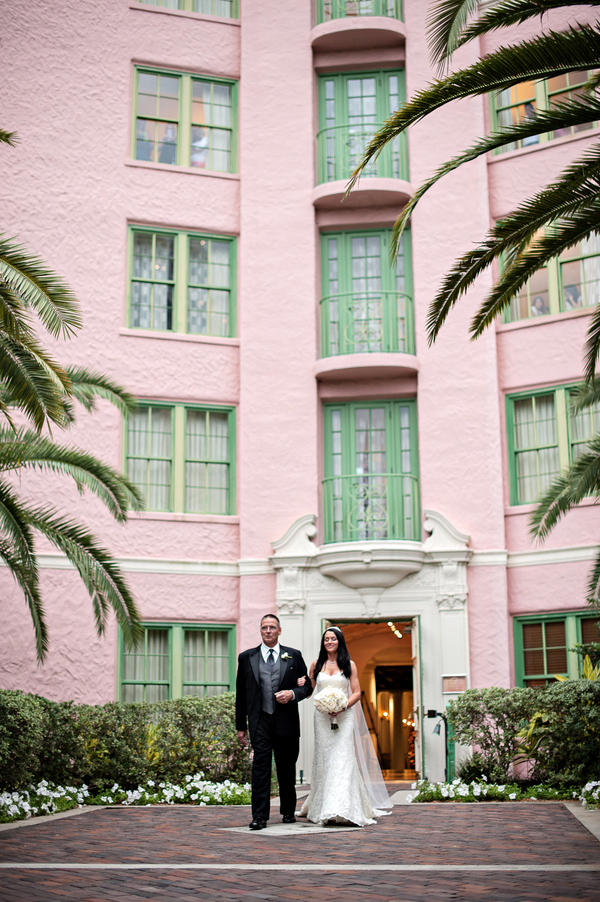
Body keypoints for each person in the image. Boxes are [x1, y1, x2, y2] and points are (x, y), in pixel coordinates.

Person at [298, 626, 392, 827]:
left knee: (343, 757)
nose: (329, 642)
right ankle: (323, 805)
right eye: (326, 639)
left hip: (344, 717)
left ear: (339, 641)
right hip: (323, 718)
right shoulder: (316, 665)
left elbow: (357, 692)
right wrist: (299, 684)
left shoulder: (349, 665)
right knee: (325, 758)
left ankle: (341, 807)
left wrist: (342, 706)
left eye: (333, 639)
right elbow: (308, 691)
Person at [236, 613, 312, 831]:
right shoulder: (246, 657)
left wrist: (292, 693)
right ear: (260, 631)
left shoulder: (293, 656)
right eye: (264, 628)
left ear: (279, 630)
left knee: (287, 767)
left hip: (286, 720)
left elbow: (307, 686)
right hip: (260, 721)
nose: (268, 631)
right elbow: (241, 693)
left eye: (272, 627)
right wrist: (241, 726)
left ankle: (288, 811)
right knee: (260, 768)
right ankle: (259, 816)